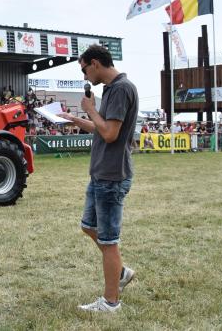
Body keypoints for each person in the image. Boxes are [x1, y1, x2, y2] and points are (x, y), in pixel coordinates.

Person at [58, 44, 138, 313]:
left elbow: (111, 134)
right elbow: (101, 128)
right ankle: (121, 272)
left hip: (112, 175)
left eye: (83, 69)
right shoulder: (113, 89)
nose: (84, 76)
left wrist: (90, 109)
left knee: (108, 241)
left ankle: (111, 302)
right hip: (102, 173)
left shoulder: (120, 89)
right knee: (88, 226)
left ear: (95, 63)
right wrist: (74, 118)